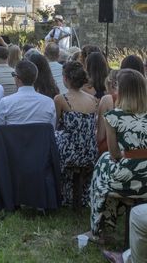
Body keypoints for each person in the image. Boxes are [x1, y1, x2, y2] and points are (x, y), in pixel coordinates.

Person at [0, 60, 57, 201]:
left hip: (9, 155)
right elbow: (51, 132)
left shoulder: (6, 102)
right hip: (39, 155)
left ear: (17, 78)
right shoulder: (49, 102)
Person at [87, 69, 147, 242]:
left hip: (126, 181)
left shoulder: (113, 116)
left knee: (103, 166)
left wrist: (126, 154)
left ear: (121, 90)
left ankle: (98, 229)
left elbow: (113, 154)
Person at [53, 61, 98, 206]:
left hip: (70, 151)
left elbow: (55, 125)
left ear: (65, 79)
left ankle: (58, 192)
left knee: (52, 138)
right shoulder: (93, 100)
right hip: (90, 150)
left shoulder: (60, 99)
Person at [97, 70, 119, 155]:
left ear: (111, 84)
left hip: (110, 150)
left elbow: (100, 136)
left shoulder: (107, 99)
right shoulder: (137, 100)